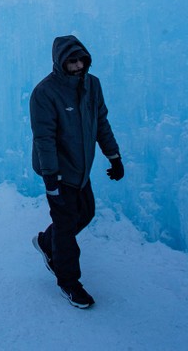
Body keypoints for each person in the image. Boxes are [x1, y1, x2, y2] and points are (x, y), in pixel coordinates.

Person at [29, 35, 124, 308]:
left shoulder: (93, 85)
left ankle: (47, 242)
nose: (78, 65)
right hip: (58, 171)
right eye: (72, 61)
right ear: (60, 62)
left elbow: (101, 122)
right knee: (67, 225)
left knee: (85, 213)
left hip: (81, 169)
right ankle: (68, 282)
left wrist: (113, 156)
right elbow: (43, 138)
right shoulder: (45, 93)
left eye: (81, 59)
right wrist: (50, 179)